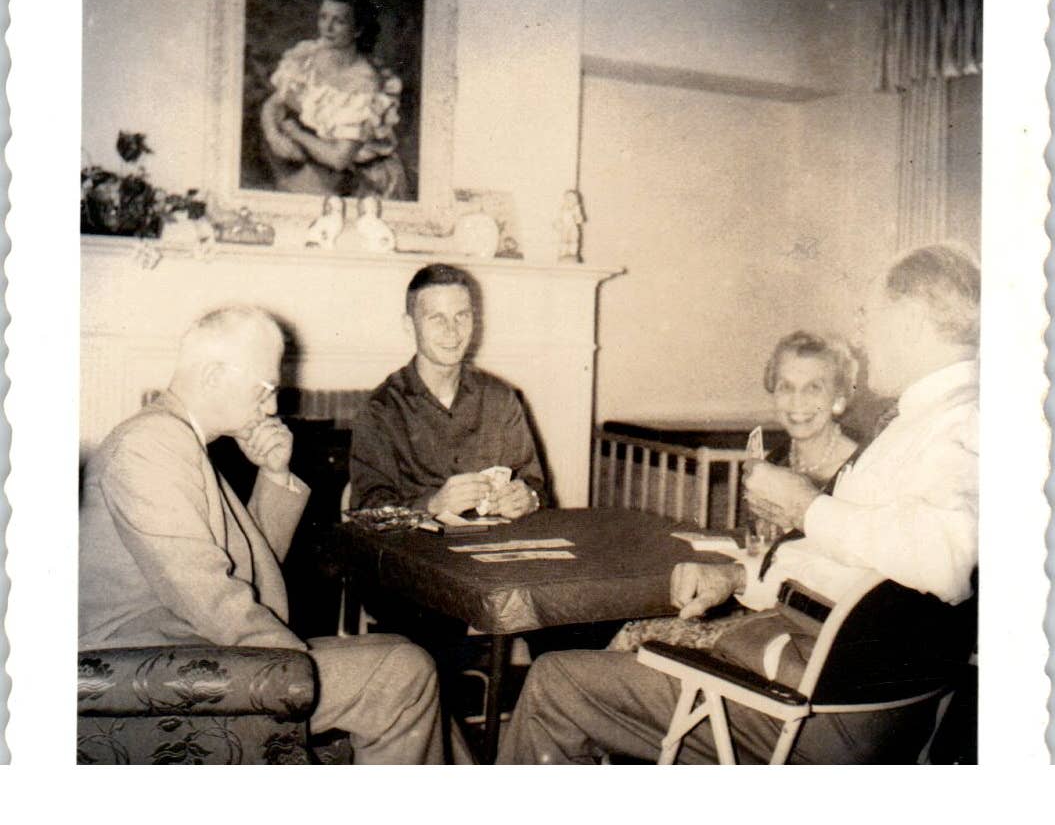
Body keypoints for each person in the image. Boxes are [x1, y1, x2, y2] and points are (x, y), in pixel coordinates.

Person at [498, 242, 979, 765]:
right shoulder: (920, 421)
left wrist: (807, 506)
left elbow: (946, 560)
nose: (861, 338)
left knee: (557, 682)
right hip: (828, 683)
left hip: (818, 713)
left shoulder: (966, 422)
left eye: (869, 317)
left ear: (909, 322)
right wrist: (738, 580)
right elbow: (851, 564)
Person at [79, 305, 443, 764]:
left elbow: (246, 574)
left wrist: (273, 474)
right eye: (266, 387)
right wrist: (294, 668)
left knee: (404, 657)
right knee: (403, 672)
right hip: (157, 674)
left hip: (189, 654)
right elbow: (212, 601)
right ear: (214, 376)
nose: (272, 407)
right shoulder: (151, 446)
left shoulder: (177, 440)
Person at [608, 329, 861, 653]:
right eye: (786, 387)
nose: (797, 401)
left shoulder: (859, 467)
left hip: (806, 628)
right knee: (639, 623)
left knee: (640, 635)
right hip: (756, 598)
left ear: (839, 397)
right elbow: (759, 545)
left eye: (814, 388)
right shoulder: (774, 460)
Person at [349, 263, 548, 518]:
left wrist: (528, 498)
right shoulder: (380, 410)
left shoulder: (501, 399)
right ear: (409, 326)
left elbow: (536, 486)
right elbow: (368, 509)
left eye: (461, 316)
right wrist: (431, 506)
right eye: (437, 318)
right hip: (414, 550)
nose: (452, 331)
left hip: (492, 546)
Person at [260, 0, 409, 200]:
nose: (327, 28)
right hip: (319, 162)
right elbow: (275, 102)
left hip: (362, 180)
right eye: (323, 17)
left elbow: (339, 159)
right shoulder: (309, 55)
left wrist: (295, 133)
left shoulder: (363, 83)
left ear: (357, 30)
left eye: (338, 21)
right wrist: (273, 135)